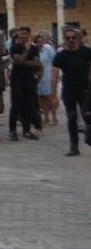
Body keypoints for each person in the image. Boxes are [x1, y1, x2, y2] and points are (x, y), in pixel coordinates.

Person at [52, 26, 91, 156]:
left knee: (88, 116)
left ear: (78, 38)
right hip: (69, 90)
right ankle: (74, 146)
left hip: (85, 89)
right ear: (64, 39)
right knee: (71, 117)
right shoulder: (60, 55)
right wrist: (54, 96)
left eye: (73, 37)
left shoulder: (86, 52)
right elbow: (54, 75)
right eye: (68, 38)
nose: (71, 40)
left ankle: (88, 137)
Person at [8, 28, 42, 141]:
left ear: (29, 36)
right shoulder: (14, 47)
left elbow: (37, 63)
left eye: (25, 35)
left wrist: (23, 62)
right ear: (18, 36)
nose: (23, 37)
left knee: (29, 106)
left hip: (29, 80)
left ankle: (26, 130)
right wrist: (26, 53)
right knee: (16, 106)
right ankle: (12, 131)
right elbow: (20, 60)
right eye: (21, 35)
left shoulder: (34, 48)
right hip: (17, 80)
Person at [34, 31, 58, 126]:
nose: (40, 43)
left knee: (49, 97)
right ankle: (46, 117)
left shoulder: (47, 48)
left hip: (48, 75)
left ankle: (54, 118)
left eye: (41, 41)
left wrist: (55, 75)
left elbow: (55, 61)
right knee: (41, 97)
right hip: (39, 76)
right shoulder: (34, 50)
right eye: (38, 41)